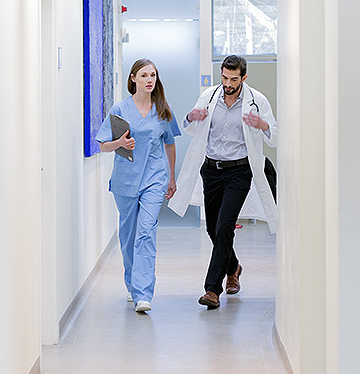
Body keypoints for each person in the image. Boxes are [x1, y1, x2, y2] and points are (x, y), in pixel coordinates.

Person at [167, 55, 277, 309]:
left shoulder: (257, 101)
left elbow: (275, 136)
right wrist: (191, 117)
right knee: (213, 228)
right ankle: (234, 266)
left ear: (244, 77)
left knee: (225, 225)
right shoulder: (209, 96)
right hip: (211, 170)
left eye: (234, 79)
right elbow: (192, 129)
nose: (228, 83)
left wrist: (262, 124)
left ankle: (212, 289)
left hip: (239, 172)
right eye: (225, 78)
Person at [96, 59, 181, 313]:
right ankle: (133, 285)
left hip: (154, 179)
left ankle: (144, 293)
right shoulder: (120, 109)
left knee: (146, 232)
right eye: (144, 75)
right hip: (126, 181)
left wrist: (171, 177)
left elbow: (169, 142)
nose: (149, 80)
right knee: (128, 236)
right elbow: (102, 145)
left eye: (153, 75)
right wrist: (120, 143)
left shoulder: (163, 109)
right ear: (133, 78)